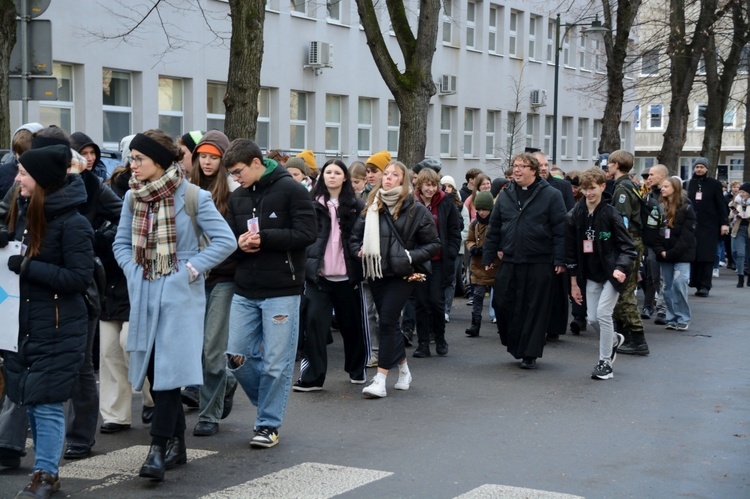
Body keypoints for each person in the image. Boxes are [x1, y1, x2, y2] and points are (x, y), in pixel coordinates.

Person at [113, 129, 236, 481]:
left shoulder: (193, 195)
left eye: (139, 159)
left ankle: (157, 449)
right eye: (132, 158)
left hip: (180, 296)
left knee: (167, 375)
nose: (132, 165)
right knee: (153, 369)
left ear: (160, 161)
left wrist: (191, 269)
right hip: (144, 293)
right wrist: (133, 272)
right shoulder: (133, 197)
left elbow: (225, 241)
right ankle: (177, 444)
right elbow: (121, 243)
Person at [2, 145, 94, 498]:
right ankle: (47, 474)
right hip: (22, 323)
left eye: (23, 173)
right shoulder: (24, 214)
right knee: (33, 398)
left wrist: (29, 266)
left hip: (58, 326)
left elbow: (78, 279)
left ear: (39, 180)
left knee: (47, 402)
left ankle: (45, 475)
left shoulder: (74, 224)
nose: (17, 179)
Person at [223, 139, 316, 448]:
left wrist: (264, 239)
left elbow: (307, 234)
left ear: (255, 162)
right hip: (245, 287)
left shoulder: (292, 190)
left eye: (238, 172)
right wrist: (241, 243)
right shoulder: (237, 197)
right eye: (233, 174)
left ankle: (267, 424)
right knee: (235, 356)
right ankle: (269, 404)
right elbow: (229, 241)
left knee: (276, 363)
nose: (236, 178)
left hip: (282, 289)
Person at [350, 161, 440, 397]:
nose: (388, 178)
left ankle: (380, 379)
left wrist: (409, 255)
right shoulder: (373, 205)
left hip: (402, 274)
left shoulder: (415, 209)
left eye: (394, 174)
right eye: (386, 174)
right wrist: (359, 250)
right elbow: (354, 238)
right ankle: (404, 369)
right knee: (387, 324)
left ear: (403, 180)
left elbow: (433, 244)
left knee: (387, 321)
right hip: (377, 273)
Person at [483, 152, 566, 369]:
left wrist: (560, 259)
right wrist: (489, 255)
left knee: (534, 308)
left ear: (533, 170)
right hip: (511, 259)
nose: (516, 169)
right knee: (502, 301)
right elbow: (494, 227)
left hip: (539, 261)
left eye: (522, 166)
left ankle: (530, 353)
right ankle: (514, 342)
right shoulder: (506, 194)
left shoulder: (551, 195)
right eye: (515, 165)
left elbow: (560, 230)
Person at [294, 159, 368, 391]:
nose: (332, 176)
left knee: (352, 327)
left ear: (345, 177)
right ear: (322, 176)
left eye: (337, 172)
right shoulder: (311, 204)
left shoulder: (357, 206)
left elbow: (363, 238)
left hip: (348, 278)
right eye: (328, 172)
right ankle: (312, 378)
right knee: (314, 325)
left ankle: (357, 369)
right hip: (319, 277)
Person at [187, 130, 240, 437]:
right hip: (191, 278)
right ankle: (228, 382)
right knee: (194, 347)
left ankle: (209, 415)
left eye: (213, 157)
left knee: (212, 349)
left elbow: (233, 241)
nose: (207, 162)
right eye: (202, 156)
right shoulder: (187, 190)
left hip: (224, 278)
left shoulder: (234, 194)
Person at [99, 150, 156, 436]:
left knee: (132, 345)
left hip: (136, 283)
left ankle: (153, 398)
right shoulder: (108, 190)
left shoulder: (153, 197)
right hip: (110, 283)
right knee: (109, 350)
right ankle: (115, 414)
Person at [566, 168, 635, 380]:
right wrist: (574, 283)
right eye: (585, 189)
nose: (589, 193)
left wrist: (620, 268)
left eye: (593, 188)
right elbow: (571, 252)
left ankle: (605, 362)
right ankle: (613, 339)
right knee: (593, 318)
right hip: (590, 274)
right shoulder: (575, 215)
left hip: (612, 274)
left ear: (603, 187)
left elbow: (628, 247)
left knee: (604, 314)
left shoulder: (611, 214)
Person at [411, 168, 461, 358]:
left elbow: (454, 232)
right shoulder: (412, 203)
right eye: (427, 185)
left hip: (440, 261)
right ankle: (423, 343)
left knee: (436, 302)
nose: (430, 189)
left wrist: (451, 252)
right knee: (421, 303)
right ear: (420, 185)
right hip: (419, 260)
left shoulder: (446, 203)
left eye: (434, 185)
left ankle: (440, 337)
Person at [607, 150, 649, 356]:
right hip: (633, 241)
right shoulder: (633, 185)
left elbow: (621, 220)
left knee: (624, 291)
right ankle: (624, 335)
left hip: (628, 242)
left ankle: (638, 339)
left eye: (609, 163)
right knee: (621, 290)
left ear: (616, 165)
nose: (607, 166)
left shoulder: (622, 188)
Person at [534, 151, 575, 342]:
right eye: (539, 165)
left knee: (557, 289)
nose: (543, 168)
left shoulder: (562, 186)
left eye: (545, 164)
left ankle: (554, 327)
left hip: (557, 244)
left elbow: (568, 218)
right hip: (536, 247)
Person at [653, 177, 697, 329]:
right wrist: (660, 251)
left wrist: (670, 253)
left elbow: (687, 236)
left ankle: (683, 318)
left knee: (680, 283)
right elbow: (655, 232)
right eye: (662, 186)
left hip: (681, 255)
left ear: (675, 188)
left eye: (666, 186)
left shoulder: (686, 208)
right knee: (667, 288)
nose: (662, 189)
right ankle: (671, 318)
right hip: (664, 254)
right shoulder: (659, 207)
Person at [361, 150, 391, 367]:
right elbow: (356, 230)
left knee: (387, 313)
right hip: (369, 263)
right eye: (368, 172)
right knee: (369, 311)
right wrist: (357, 247)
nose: (370, 175)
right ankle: (374, 351)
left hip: (390, 264)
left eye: (374, 171)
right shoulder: (365, 197)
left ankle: (390, 350)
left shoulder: (399, 198)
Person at [685, 157, 729, 297]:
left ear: (707, 169)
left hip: (710, 225)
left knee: (707, 255)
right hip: (692, 225)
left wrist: (724, 223)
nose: (699, 169)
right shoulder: (688, 184)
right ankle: (695, 282)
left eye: (701, 167)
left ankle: (705, 285)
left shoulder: (714, 184)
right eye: (697, 167)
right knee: (695, 254)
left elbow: (721, 205)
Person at [465, 191, 500, 337]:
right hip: (479, 265)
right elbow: (469, 239)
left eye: (484, 209)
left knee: (498, 298)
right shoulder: (475, 224)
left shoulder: (497, 223)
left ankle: (501, 322)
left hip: (494, 264)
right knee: (478, 297)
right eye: (479, 209)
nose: (482, 212)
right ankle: (475, 324)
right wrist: (473, 248)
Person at [642, 164, 669, 325]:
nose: (648, 178)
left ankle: (663, 309)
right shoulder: (646, 195)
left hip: (666, 242)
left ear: (662, 176)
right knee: (651, 274)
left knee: (664, 277)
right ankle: (648, 306)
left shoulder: (670, 195)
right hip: (651, 241)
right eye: (647, 176)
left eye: (651, 175)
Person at [440, 175, 469, 323]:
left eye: (449, 186)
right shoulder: (439, 203)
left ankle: (446, 309)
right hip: (441, 249)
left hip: (456, 249)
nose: (447, 189)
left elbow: (465, 228)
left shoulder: (460, 206)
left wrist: (454, 244)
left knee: (451, 281)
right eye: (444, 186)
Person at [0, 123, 43, 199]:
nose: (23, 159)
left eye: (27, 153)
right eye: (20, 153)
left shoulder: (46, 173)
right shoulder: (3, 171)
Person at [729, 182, 750, 288]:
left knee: (749, 255)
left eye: (744, 192)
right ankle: (740, 276)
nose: (741, 194)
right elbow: (730, 216)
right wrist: (735, 212)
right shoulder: (736, 202)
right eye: (740, 191)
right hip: (739, 229)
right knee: (739, 253)